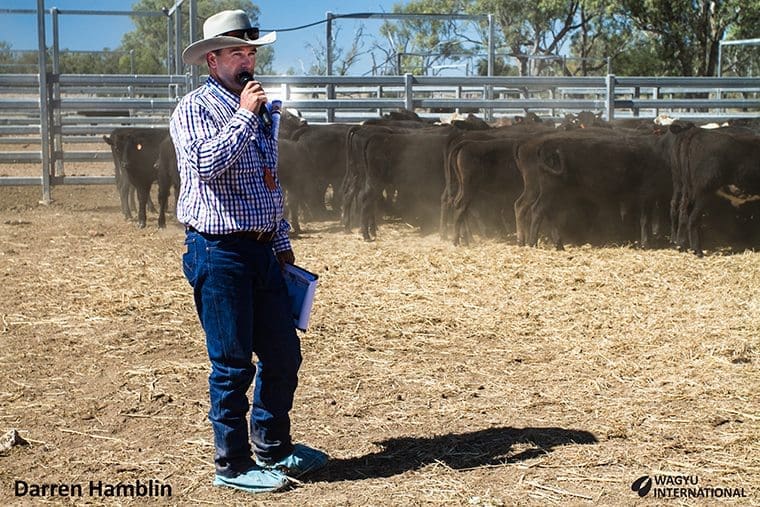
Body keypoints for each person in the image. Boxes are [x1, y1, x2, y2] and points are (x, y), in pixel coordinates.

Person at [170, 9, 327, 494]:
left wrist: (282, 247)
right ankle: (232, 464)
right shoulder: (194, 109)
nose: (247, 61)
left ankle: (274, 447)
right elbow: (207, 166)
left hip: (260, 250)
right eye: (237, 52)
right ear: (212, 60)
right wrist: (244, 115)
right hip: (218, 251)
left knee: (283, 352)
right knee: (233, 363)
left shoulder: (260, 113)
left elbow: (268, 185)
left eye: (251, 52)